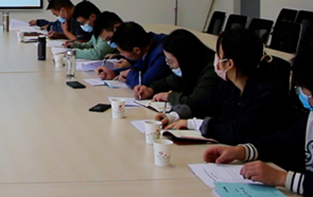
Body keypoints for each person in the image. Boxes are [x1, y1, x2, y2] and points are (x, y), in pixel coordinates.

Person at [203, 47, 313, 196]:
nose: (304, 96)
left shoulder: (268, 92)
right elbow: (282, 142)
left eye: (307, 92)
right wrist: (241, 151)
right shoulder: (310, 119)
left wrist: (282, 178)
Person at [156, 28, 295, 145]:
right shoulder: (231, 84)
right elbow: (207, 103)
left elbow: (235, 132)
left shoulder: (268, 94)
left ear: (229, 64)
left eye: (219, 55)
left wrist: (193, 124)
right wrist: (176, 115)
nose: (215, 59)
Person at [132, 29, 220, 106]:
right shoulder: (191, 67)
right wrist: (150, 90)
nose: (168, 64)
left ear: (184, 59)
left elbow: (194, 103)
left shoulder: (212, 71)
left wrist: (169, 97)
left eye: (170, 61)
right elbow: (168, 82)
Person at [96, 22, 170, 89]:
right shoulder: (146, 44)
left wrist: (129, 74)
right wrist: (114, 73)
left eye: (122, 52)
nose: (122, 55)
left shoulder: (163, 53)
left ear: (136, 50)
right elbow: (140, 67)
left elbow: (142, 83)